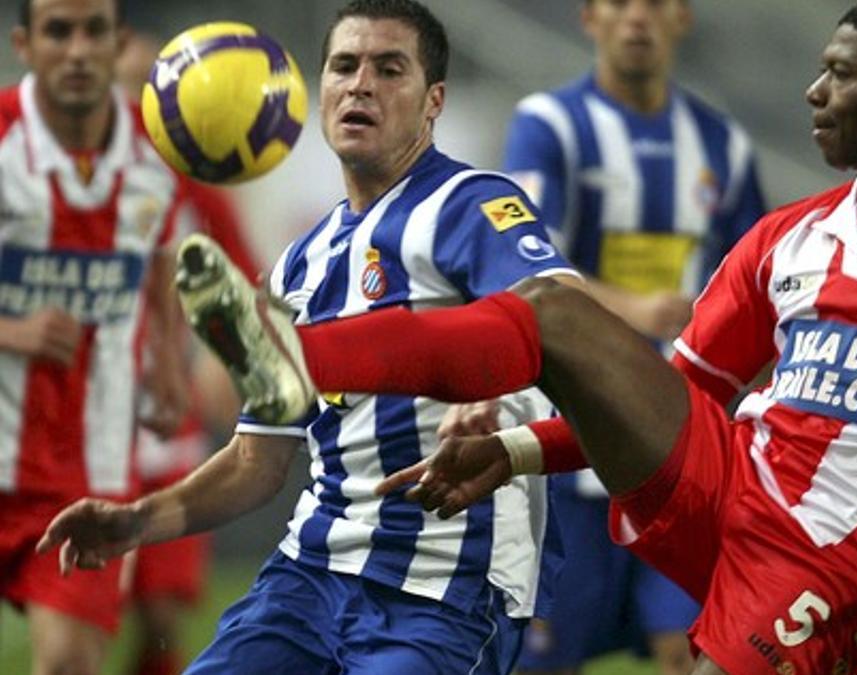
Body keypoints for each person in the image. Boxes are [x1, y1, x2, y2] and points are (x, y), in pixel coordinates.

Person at [49, 1, 857, 673]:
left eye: (842, 73)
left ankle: (302, 360)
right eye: (342, 64)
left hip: (835, 558)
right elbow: (673, 383)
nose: (813, 89)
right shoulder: (789, 237)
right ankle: (299, 361)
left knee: (550, 316)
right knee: (560, 331)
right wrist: (529, 446)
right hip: (720, 480)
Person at [38, 0, 581, 673]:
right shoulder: (299, 264)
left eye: (389, 69)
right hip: (308, 580)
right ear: (318, 91)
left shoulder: (471, 205)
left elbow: (561, 305)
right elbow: (254, 462)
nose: (361, 85)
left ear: (433, 100)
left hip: (443, 591)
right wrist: (136, 520)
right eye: (344, 67)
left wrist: (504, 377)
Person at [495, 0, 765, 672]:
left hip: (685, 450)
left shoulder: (722, 145)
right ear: (590, 18)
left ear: (684, 18)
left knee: (692, 650)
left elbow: (764, 282)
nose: (637, 18)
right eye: (619, 3)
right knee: (543, 659)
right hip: (569, 452)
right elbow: (522, 267)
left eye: (656, 3)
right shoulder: (549, 125)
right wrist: (631, 308)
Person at [0, 0, 189, 673]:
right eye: (58, 31)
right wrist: (10, 329)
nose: (76, 50)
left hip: (88, 472)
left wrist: (169, 355)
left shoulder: (158, 151)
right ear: (25, 43)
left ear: (119, 42)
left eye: (92, 31)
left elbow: (162, 254)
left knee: (69, 665)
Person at [115, 31, 261, 675]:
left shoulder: (187, 179)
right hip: (66, 419)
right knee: (75, 607)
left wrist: (225, 358)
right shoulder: (50, 174)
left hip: (162, 417)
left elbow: (246, 281)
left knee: (164, 616)